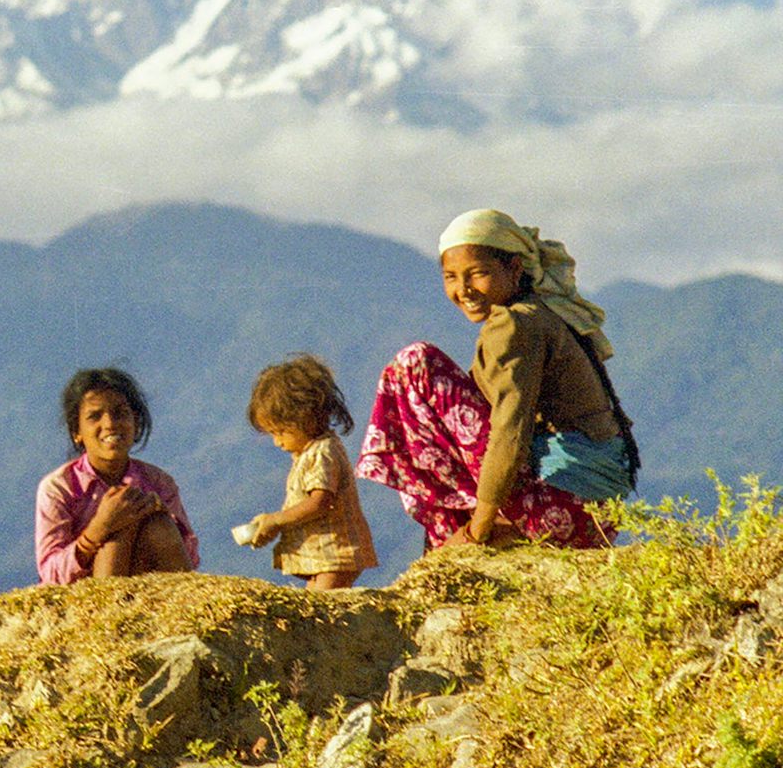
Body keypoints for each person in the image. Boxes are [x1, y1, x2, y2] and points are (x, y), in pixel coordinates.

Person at [355, 209, 638, 551]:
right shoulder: (539, 314)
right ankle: (485, 517)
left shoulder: (515, 326)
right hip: (595, 516)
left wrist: (478, 532)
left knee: (415, 363)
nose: (464, 290)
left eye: (477, 274)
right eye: (451, 277)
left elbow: (509, 431)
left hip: (563, 506)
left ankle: (487, 520)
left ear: (514, 269)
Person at [35, 367, 198, 584]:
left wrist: (162, 518)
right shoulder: (59, 488)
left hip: (153, 594)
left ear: (136, 422)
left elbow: (191, 559)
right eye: (94, 417)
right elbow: (50, 574)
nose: (110, 424)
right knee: (116, 535)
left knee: (158, 525)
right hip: (90, 602)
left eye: (120, 413)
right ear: (77, 432)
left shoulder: (159, 483)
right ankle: (111, 615)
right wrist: (98, 530)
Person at [241, 355, 378, 590]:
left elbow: (320, 502)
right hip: (322, 556)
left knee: (325, 609)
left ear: (307, 418)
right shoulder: (307, 454)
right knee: (311, 604)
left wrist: (277, 520)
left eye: (281, 432)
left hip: (335, 552)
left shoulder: (323, 453)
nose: (277, 442)